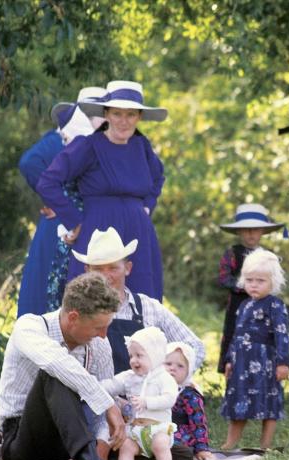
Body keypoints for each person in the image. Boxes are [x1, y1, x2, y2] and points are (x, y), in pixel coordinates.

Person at [0, 273, 124, 460]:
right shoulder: (29, 327)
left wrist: (103, 445)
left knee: (176, 457)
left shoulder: (99, 345)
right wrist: (108, 403)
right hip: (22, 438)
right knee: (56, 374)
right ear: (73, 317)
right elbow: (56, 362)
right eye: (98, 327)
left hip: (73, 434)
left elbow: (104, 401)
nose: (103, 335)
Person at [37, 80, 167, 300]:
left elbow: (157, 178)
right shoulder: (87, 146)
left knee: (141, 299)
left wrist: (147, 207)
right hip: (98, 229)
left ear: (139, 117)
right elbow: (48, 182)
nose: (124, 122)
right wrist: (74, 221)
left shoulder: (142, 147)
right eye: (117, 114)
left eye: (131, 115)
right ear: (106, 113)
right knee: (92, 300)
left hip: (139, 234)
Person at [18, 86, 107, 316]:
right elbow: (30, 163)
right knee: (49, 295)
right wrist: (60, 203)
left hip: (88, 225)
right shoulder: (63, 139)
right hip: (62, 227)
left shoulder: (101, 143)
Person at [73, 226, 205, 378]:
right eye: (98, 269)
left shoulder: (148, 307)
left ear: (127, 268)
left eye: (113, 268)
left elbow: (195, 347)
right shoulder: (76, 310)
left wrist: (165, 379)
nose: (105, 276)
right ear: (86, 270)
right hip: (94, 397)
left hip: (144, 398)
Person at [220, 249, 289, 451]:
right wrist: (229, 360)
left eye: (260, 280)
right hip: (242, 363)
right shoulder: (243, 306)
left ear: (272, 282)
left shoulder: (275, 305)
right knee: (238, 402)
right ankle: (230, 442)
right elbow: (236, 335)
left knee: (268, 404)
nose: (254, 284)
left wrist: (283, 362)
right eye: (250, 280)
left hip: (265, 363)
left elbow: (282, 335)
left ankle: (265, 445)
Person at [102, 327, 178, 460]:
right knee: (127, 446)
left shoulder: (164, 377)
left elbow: (170, 398)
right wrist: (95, 386)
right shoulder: (129, 377)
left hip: (157, 428)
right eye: (131, 356)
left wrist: (147, 402)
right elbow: (111, 385)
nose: (134, 360)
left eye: (139, 355)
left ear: (155, 355)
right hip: (136, 430)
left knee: (160, 445)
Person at [217, 203, 286, 373]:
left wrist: (262, 289)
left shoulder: (268, 256)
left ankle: (263, 371)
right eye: (246, 229)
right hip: (237, 304)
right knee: (234, 334)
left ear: (262, 231)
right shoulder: (232, 253)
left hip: (264, 304)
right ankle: (231, 370)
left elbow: (274, 280)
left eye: (255, 229)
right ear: (239, 231)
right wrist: (246, 286)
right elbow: (223, 277)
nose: (251, 233)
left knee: (263, 335)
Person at [165, 341, 213, 460]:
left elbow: (198, 423)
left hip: (180, 434)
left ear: (188, 371)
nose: (172, 368)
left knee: (172, 445)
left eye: (180, 366)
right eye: (168, 363)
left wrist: (202, 448)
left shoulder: (189, 394)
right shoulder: (155, 389)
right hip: (158, 430)